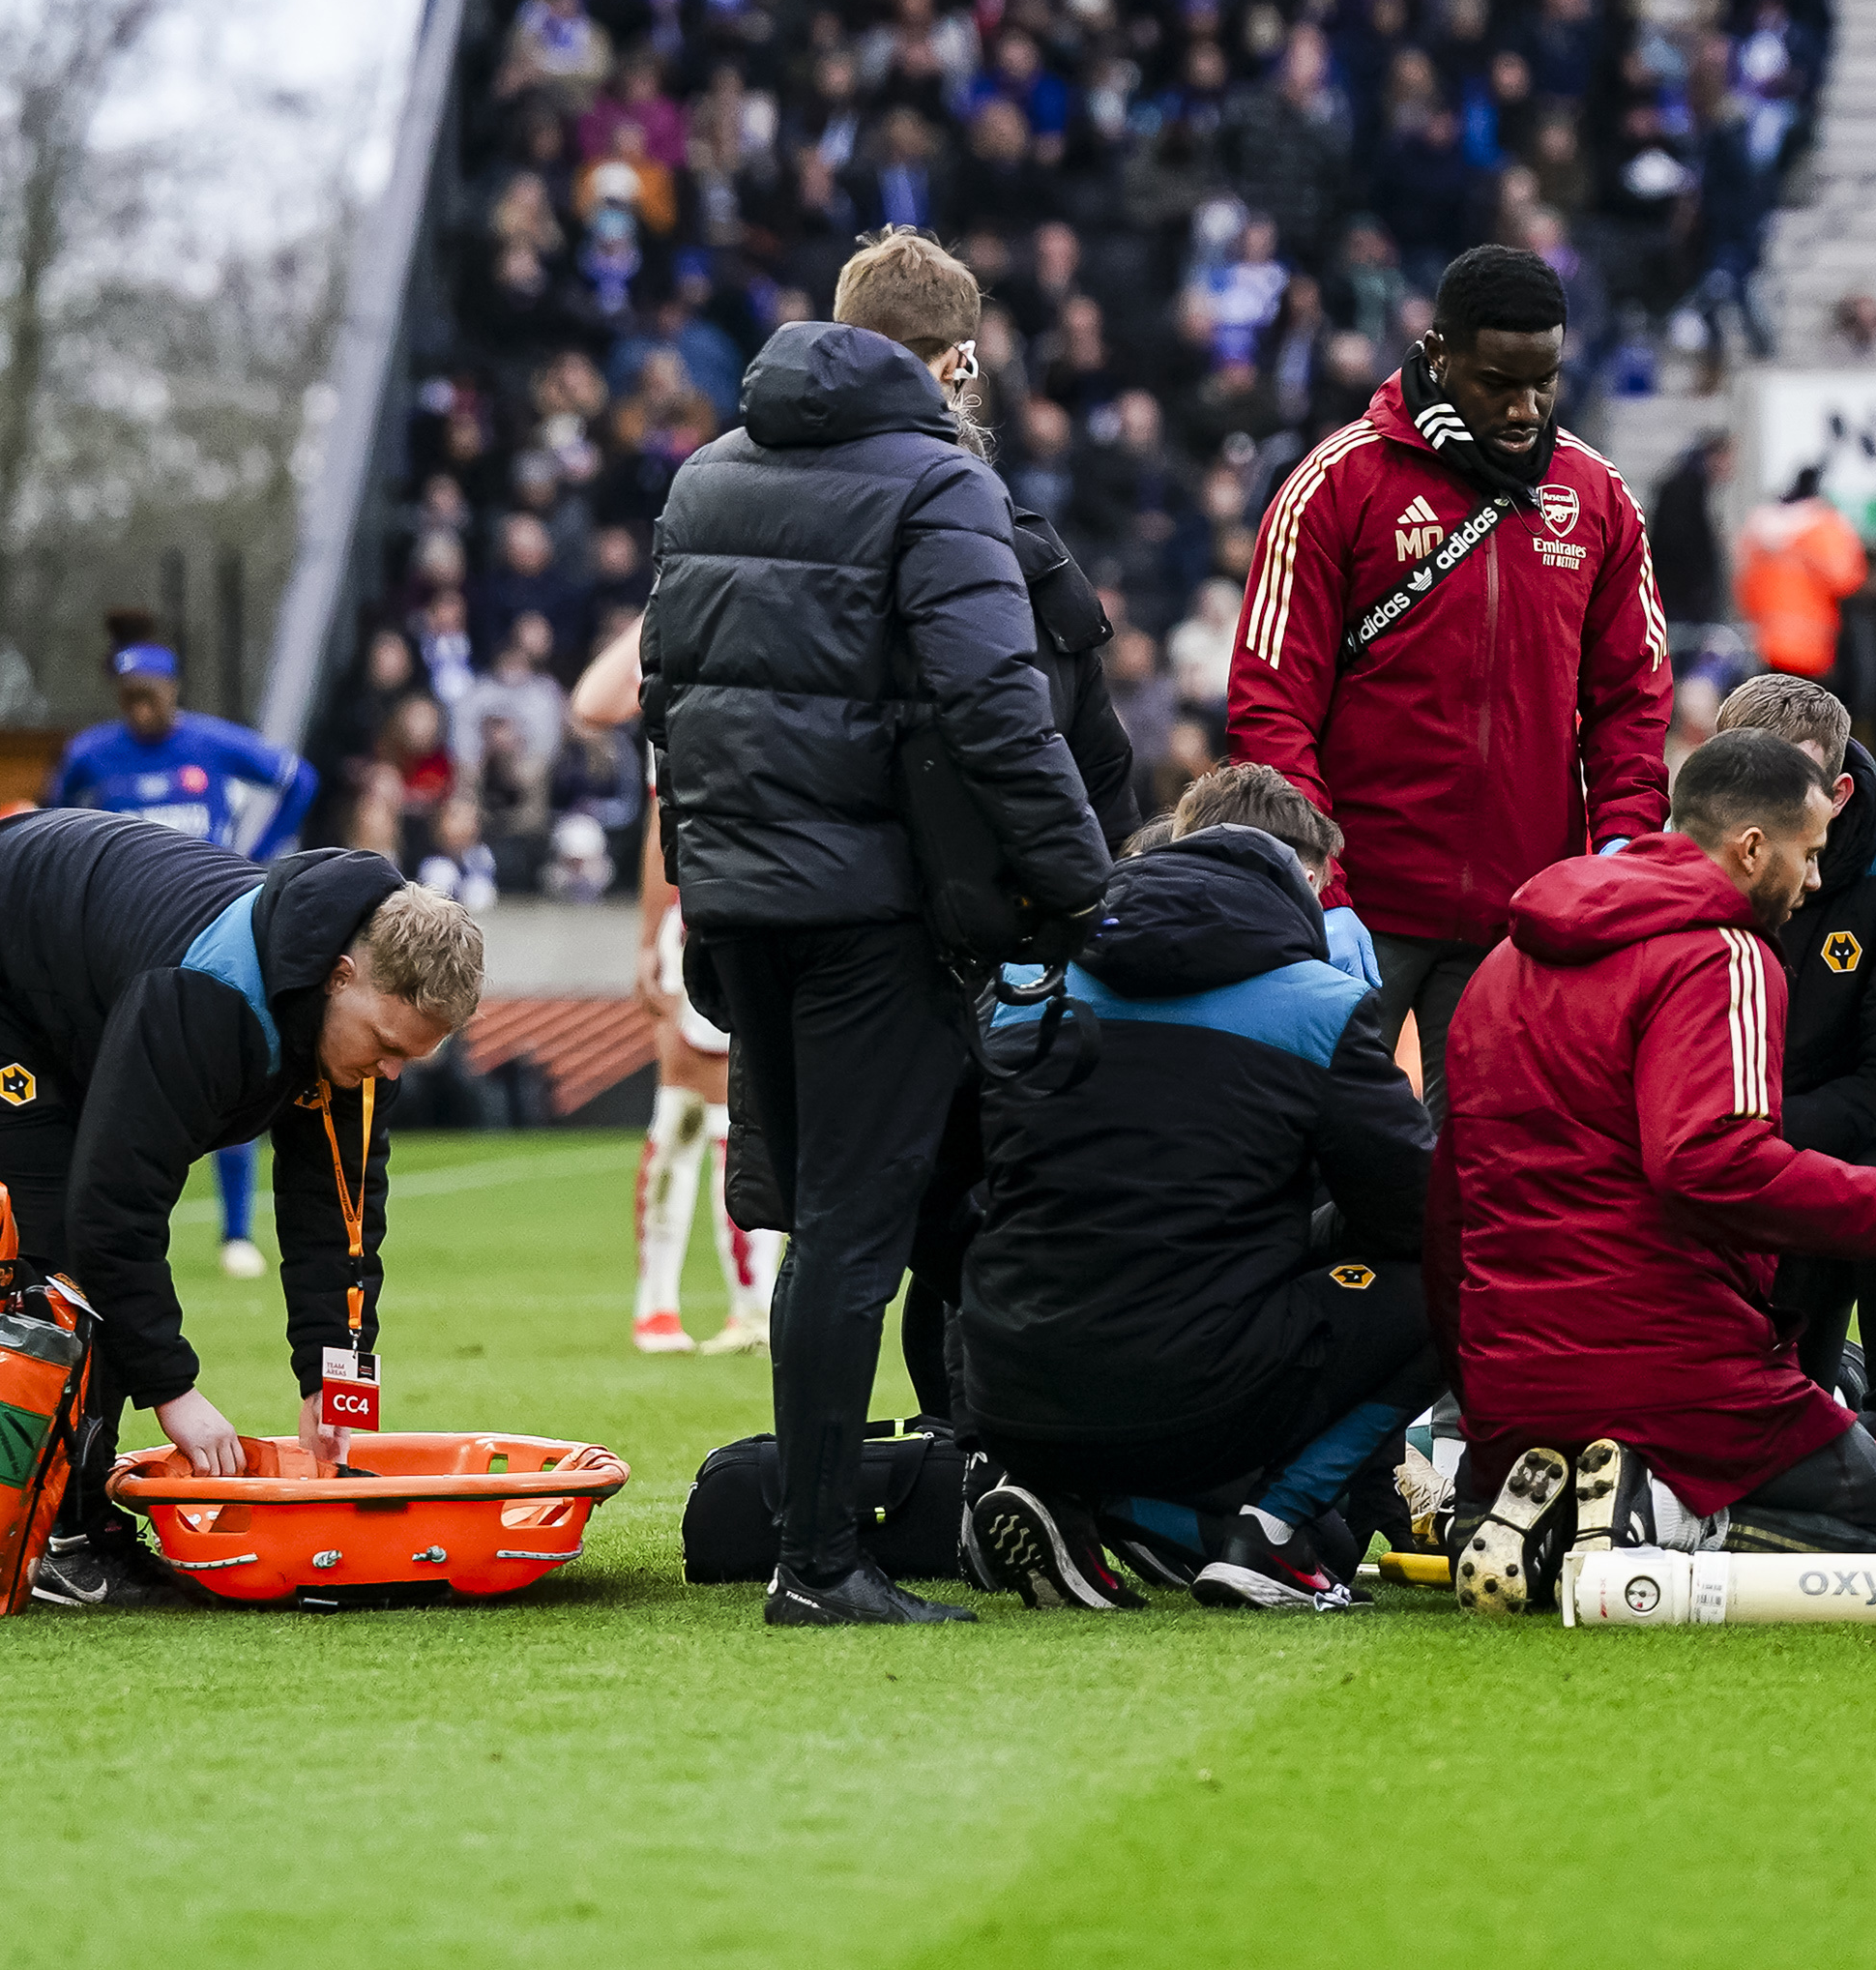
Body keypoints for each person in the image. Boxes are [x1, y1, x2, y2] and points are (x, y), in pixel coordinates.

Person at [647, 243, 1114, 1628]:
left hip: (745, 896)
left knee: (826, 1234)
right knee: (861, 1232)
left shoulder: (706, 471)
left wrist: (705, 888)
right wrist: (1089, 890)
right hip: (874, 909)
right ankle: (820, 1560)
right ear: (953, 358)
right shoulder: (938, 480)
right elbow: (995, 708)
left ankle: (813, 1536)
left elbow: (671, 708)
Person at [0, 809, 483, 1606]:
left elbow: (339, 1219)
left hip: (54, 1000)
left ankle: (59, 1521)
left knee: (70, 1225)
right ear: (340, 975)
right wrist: (175, 1391)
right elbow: (113, 1214)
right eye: (385, 1044)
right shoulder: (205, 999)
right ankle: (64, 1539)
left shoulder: (351, 1029)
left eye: (410, 1058)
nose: (390, 1070)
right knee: (57, 1235)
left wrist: (334, 1383)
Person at [1437, 732, 1876, 1612]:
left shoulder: (1505, 962)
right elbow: (1715, 1165)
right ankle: (1655, 1516)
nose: (1816, 881)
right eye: (1810, 854)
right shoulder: (1724, 951)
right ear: (1751, 848)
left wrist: (1479, 1396)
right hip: (1674, 1373)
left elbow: (1450, 1198)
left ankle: (1544, 1517)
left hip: (1509, 1373)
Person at [962, 765, 1434, 1615]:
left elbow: (960, 1183)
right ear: (1296, 875)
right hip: (1194, 1395)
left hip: (1006, 1381)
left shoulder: (1025, 983)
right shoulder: (1320, 1005)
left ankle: (1067, 1493)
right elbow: (1415, 1214)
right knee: (1448, 1272)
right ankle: (1275, 1531)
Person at [1229, 243, 1671, 1116]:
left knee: (1486, 1172)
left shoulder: (1596, 497)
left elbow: (1632, 697)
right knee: (1314, 1147)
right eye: (1499, 380)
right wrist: (1321, 881)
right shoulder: (1336, 484)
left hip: (1523, 912)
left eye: (1544, 380)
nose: (1525, 406)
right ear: (1437, 354)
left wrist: (1621, 843)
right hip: (1364, 910)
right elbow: (1270, 701)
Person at [48, 610, 318, 1281]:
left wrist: (256, 854)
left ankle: (235, 1231)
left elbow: (299, 779)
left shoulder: (212, 744)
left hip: (210, 924)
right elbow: (53, 821)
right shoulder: (91, 755)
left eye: (152, 695)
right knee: (109, 1073)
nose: (142, 710)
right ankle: (100, 1226)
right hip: (120, 933)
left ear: (173, 689)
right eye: (129, 698)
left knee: (234, 1062)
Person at [1709, 676, 1876, 1416]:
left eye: (1790, 784)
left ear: (1836, 792)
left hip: (1823, 1133)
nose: (1761, 813)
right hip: (1726, 1128)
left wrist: (1764, 1136)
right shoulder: (1693, 866)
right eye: (1745, 782)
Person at [571, 620, 781, 1359]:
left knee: (726, 1112)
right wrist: (650, 936)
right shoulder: (695, 689)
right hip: (718, 917)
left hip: (760, 912)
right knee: (697, 1106)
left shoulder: (751, 679)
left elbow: (595, 704)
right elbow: (596, 707)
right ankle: (703, 1307)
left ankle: (727, 1306)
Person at [1734, 469, 1868, 682]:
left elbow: (1743, 583)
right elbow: (1845, 581)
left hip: (1766, 640)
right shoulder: (1824, 527)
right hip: (1811, 643)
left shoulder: (1760, 527)